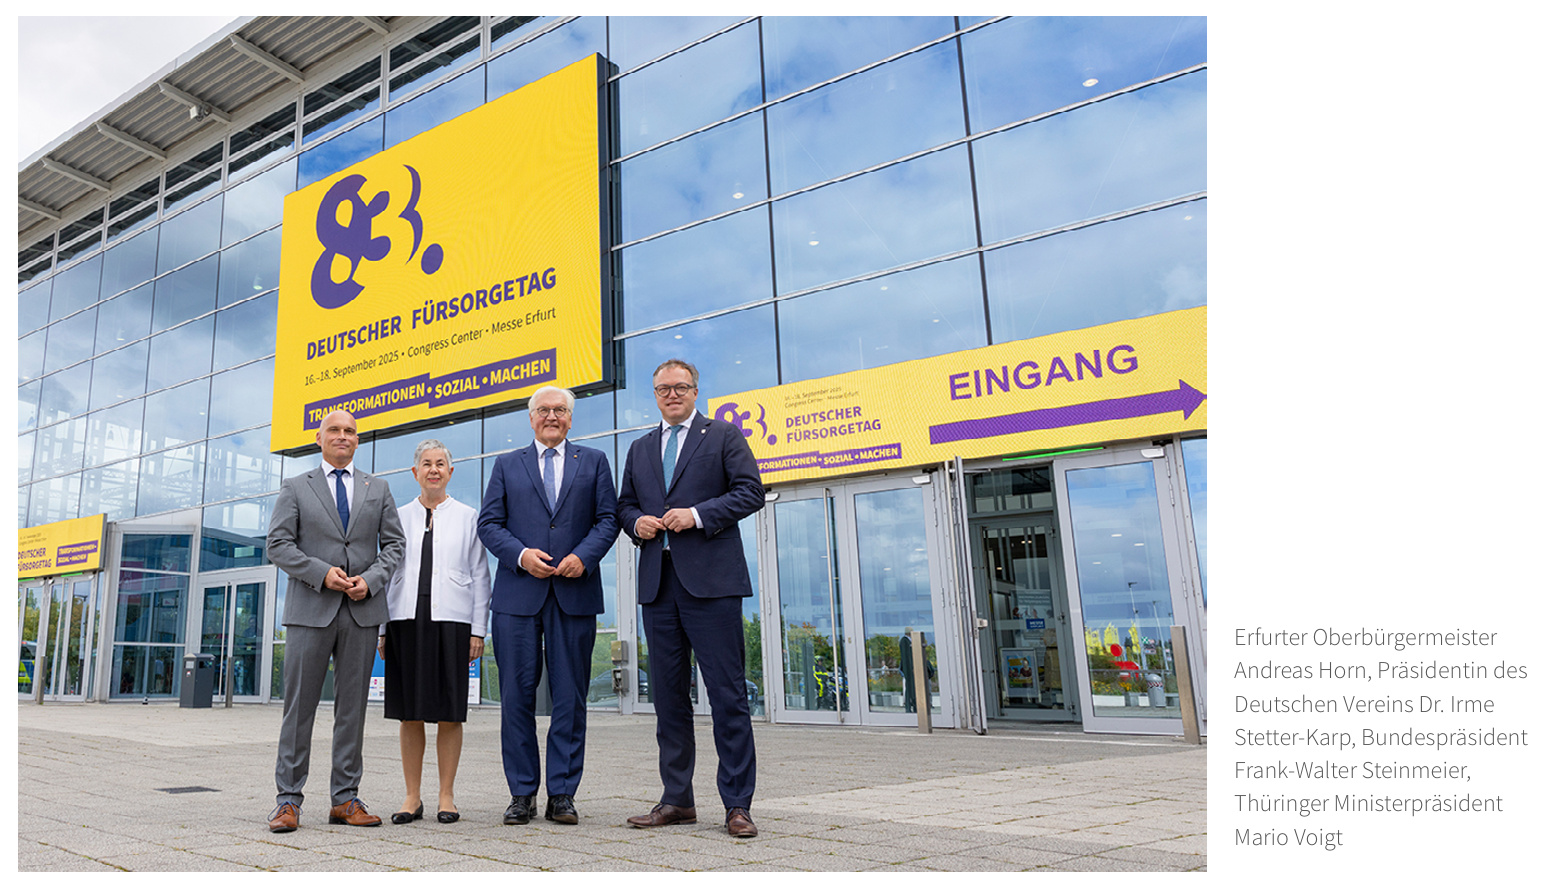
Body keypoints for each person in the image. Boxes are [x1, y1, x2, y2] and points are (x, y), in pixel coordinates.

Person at [617, 359, 766, 838]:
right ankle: (677, 800)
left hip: (713, 586)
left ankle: (738, 805)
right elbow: (624, 504)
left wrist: (698, 515)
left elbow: (750, 493)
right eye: (664, 388)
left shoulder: (722, 435)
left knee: (727, 696)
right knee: (668, 700)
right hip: (658, 587)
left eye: (681, 387)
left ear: (696, 390)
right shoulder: (640, 448)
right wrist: (636, 522)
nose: (672, 394)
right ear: (654, 394)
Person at [478, 385, 619, 826]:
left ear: (571, 419)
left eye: (560, 410)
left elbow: (608, 519)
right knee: (516, 698)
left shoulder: (594, 462)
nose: (552, 416)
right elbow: (489, 524)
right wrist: (521, 555)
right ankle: (521, 794)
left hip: (574, 594)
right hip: (519, 597)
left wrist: (584, 555)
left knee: (570, 699)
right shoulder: (506, 464)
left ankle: (562, 793)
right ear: (531, 418)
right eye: (544, 410)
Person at [267, 409, 405, 833]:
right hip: (311, 609)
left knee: (352, 711)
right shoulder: (295, 487)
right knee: (299, 710)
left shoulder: (377, 488)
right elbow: (277, 544)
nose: (342, 436)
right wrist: (320, 573)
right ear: (319, 437)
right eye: (334, 430)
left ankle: (345, 799)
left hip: (362, 613)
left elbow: (395, 546)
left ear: (357, 440)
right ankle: (288, 801)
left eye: (349, 431)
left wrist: (373, 579)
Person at [378, 440, 492, 825]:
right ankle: (412, 797)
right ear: (415, 473)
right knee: (409, 713)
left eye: (441, 463)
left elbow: (480, 576)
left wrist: (478, 630)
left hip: (453, 622)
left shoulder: (468, 516)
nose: (433, 470)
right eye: (426, 464)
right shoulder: (397, 515)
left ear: (450, 472)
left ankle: (447, 795)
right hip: (404, 621)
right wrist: (381, 629)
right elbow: (386, 573)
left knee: (449, 712)